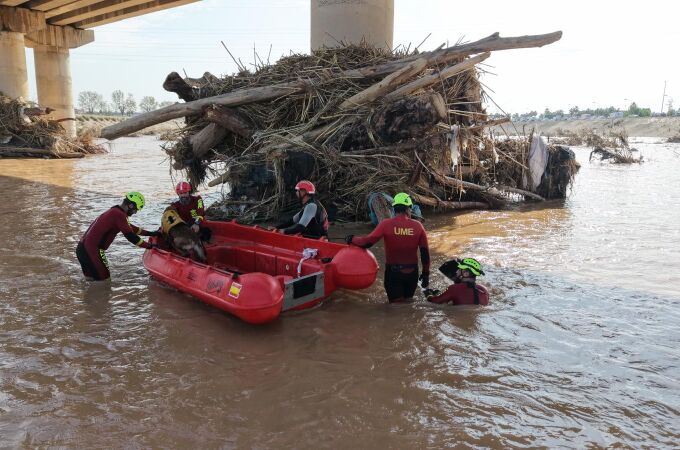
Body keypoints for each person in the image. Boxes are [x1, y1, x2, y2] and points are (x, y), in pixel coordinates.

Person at [346, 192, 430, 303]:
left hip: (394, 274)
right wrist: (425, 274)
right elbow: (425, 255)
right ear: (408, 209)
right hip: (412, 274)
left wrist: (352, 238)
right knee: (408, 304)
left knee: (395, 307)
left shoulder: (386, 224)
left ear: (394, 208)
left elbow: (367, 242)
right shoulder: (418, 226)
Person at [76, 192, 159, 281]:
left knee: (91, 281)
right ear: (131, 205)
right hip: (92, 250)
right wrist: (149, 246)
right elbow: (131, 237)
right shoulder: (119, 215)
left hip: (81, 248)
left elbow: (131, 228)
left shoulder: (115, 212)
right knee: (105, 282)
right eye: (136, 209)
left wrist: (152, 233)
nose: (135, 212)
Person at [424, 257, 490, 305]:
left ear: (466, 273)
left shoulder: (453, 289)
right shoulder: (484, 290)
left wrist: (428, 295)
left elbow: (435, 302)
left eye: (460, 269)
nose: (457, 271)